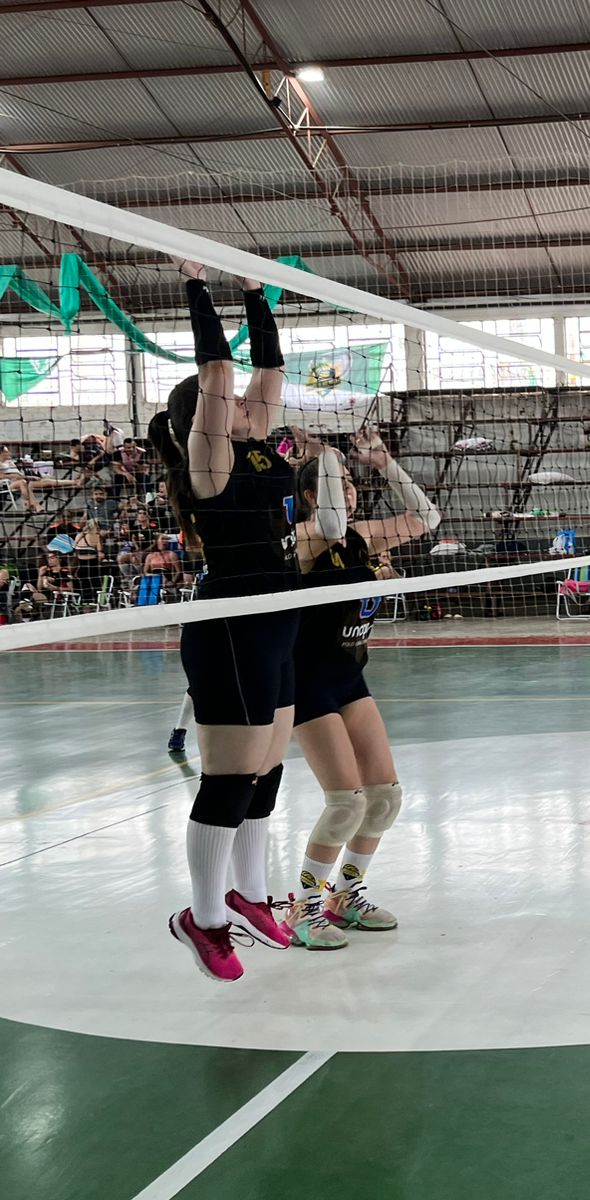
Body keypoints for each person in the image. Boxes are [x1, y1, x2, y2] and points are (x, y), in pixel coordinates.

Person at [150, 259, 299, 983]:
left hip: (277, 617)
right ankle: (203, 919)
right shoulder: (208, 461)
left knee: (267, 770)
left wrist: (254, 294)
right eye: (230, 400)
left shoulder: (258, 444)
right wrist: (198, 285)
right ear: (201, 420)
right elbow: (217, 368)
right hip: (234, 623)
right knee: (230, 778)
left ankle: (251, 893)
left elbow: (268, 371)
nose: (245, 400)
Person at [284, 425, 440, 949]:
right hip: (306, 684)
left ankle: (344, 896)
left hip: (350, 677)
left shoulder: (364, 536)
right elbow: (328, 520)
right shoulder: (306, 539)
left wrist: (383, 464)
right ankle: (301, 909)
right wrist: (326, 453)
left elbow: (427, 517)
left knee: (384, 800)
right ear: (312, 494)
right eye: (339, 482)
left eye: (352, 483)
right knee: (345, 804)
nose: (349, 489)